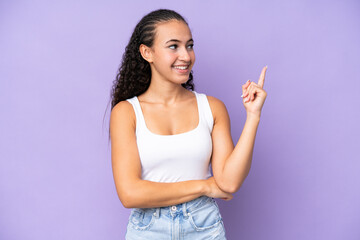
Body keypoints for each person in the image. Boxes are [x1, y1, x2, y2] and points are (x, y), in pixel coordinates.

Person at [109, 9, 267, 239]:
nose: (186, 55)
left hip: (204, 226)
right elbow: (129, 193)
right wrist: (204, 186)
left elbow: (229, 182)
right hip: (149, 230)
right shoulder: (126, 112)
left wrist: (253, 116)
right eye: (173, 46)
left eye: (189, 45)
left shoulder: (212, 108)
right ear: (147, 52)